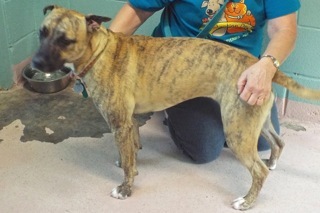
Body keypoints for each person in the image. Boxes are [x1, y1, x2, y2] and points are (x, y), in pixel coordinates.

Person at [109, 0, 301, 163]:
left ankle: (217, 116)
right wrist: (102, 56)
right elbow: (137, 10)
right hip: (183, 69)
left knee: (262, 142)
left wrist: (267, 66)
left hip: (238, 70)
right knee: (204, 150)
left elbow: (284, 29)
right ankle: (169, 107)